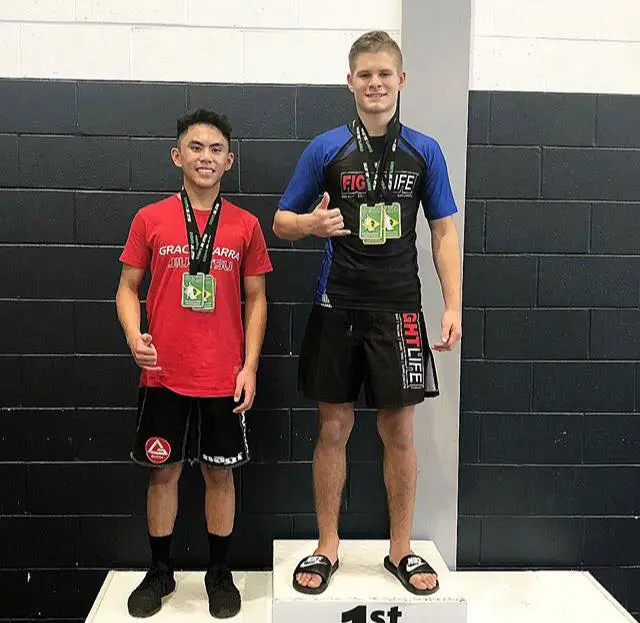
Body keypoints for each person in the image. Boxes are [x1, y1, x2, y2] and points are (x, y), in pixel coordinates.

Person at [273, 31, 461, 596]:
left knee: (398, 430)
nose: (375, 84)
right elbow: (282, 220)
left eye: (385, 74)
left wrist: (451, 303)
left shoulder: (424, 151)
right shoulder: (326, 147)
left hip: (400, 309)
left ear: (401, 81)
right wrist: (312, 224)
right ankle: (327, 547)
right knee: (333, 428)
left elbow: (444, 230)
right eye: (365, 75)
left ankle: (400, 550)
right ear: (349, 81)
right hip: (337, 306)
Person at [116, 109, 272, 618]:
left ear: (230, 160)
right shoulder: (150, 218)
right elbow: (126, 288)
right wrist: (132, 334)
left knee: (219, 477)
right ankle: (160, 572)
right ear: (177, 156)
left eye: (216, 149)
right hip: (163, 374)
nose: (206, 157)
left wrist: (248, 367)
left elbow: (257, 300)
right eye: (196, 147)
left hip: (222, 377)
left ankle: (218, 573)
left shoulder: (246, 226)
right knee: (163, 474)